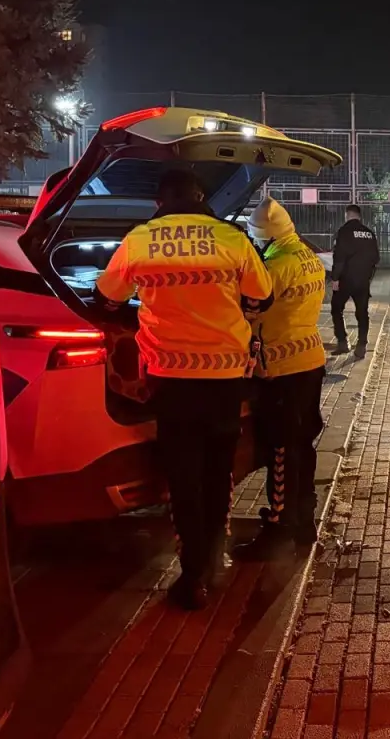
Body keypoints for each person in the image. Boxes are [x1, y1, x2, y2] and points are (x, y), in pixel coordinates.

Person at [94, 169, 272, 610]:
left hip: (171, 378)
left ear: (159, 203)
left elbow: (107, 299)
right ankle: (215, 556)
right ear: (201, 199)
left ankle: (193, 573)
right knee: (218, 471)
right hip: (226, 377)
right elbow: (262, 297)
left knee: (183, 475)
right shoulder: (231, 240)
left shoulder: (141, 240)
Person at [244, 198, 327, 547]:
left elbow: (247, 311)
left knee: (281, 450)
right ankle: (305, 521)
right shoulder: (309, 257)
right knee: (303, 446)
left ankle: (279, 527)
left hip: (281, 369)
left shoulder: (275, 267)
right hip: (310, 359)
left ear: (264, 237)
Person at [330, 203, 379, 359]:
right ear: (359, 216)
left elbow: (339, 258)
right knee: (362, 313)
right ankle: (362, 345)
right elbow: (375, 258)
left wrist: (335, 278)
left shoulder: (344, 232)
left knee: (336, 308)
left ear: (347, 215)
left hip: (346, 280)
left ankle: (343, 342)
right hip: (363, 281)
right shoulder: (369, 233)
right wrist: (367, 276)